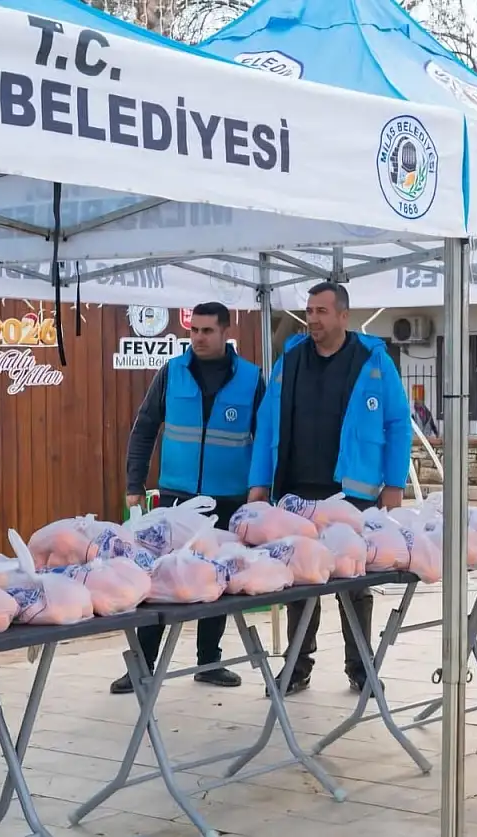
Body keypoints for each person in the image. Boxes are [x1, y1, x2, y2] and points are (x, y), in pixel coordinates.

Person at [250, 282, 411, 693]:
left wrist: (394, 483)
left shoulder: (371, 360)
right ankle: (296, 668)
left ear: (343, 315)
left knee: (354, 584)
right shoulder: (291, 358)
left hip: (350, 493)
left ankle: (361, 669)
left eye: (322, 311)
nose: (313, 319)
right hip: (295, 492)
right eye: (309, 310)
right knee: (300, 582)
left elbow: (397, 422)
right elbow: (268, 421)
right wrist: (258, 482)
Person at [112, 301, 264, 694]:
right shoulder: (172, 373)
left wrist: (261, 491)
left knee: (214, 579)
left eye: (207, 330)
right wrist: (134, 484)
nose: (197, 337)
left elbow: (266, 442)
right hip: (176, 499)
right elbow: (144, 428)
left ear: (226, 332)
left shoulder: (251, 379)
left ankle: (209, 661)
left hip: (227, 499)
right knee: (157, 578)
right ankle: (141, 666)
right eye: (193, 330)